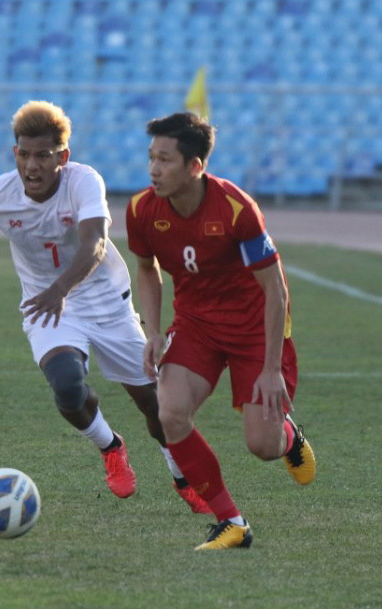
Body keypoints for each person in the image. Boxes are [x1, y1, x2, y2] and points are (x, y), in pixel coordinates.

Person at [0, 101, 208, 514]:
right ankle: (110, 446)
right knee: (67, 386)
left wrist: (60, 287)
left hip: (107, 305)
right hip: (50, 309)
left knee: (153, 405)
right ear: (15, 153)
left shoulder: (83, 182)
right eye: (24, 154)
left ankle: (180, 474)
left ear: (61, 157)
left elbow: (95, 243)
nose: (32, 165)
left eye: (43, 155)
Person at [125, 112, 316, 550]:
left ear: (195, 166)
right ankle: (232, 523)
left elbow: (276, 291)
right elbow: (147, 270)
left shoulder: (237, 210)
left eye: (165, 160)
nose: (154, 169)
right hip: (196, 326)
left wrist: (270, 369)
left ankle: (287, 437)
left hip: (253, 331)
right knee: (169, 412)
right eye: (151, 158)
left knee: (262, 446)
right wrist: (153, 331)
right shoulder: (141, 209)